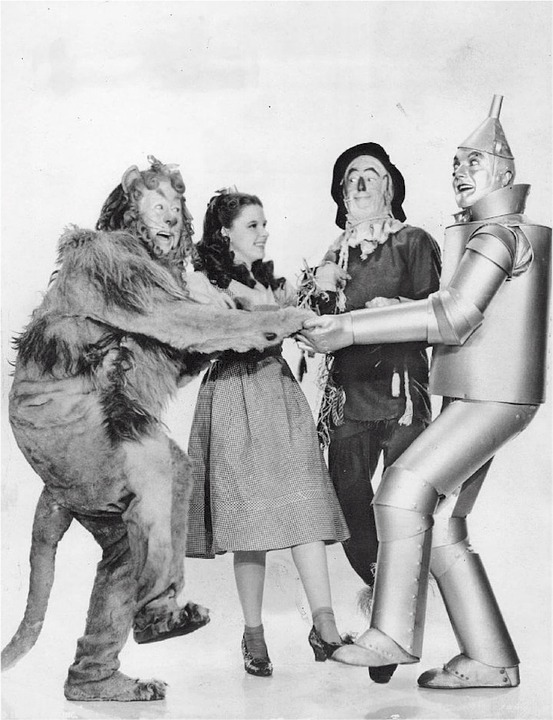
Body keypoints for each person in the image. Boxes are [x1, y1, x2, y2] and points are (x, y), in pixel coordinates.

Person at [2, 158, 311, 702]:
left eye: (175, 208)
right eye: (157, 206)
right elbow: (183, 326)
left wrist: (227, 330)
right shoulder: (106, 257)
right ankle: (158, 608)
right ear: (129, 212)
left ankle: (93, 673)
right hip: (61, 409)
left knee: (130, 544)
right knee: (165, 463)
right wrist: (276, 320)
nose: (170, 216)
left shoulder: (149, 281)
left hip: (80, 416)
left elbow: (174, 353)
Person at [299, 96, 550, 688]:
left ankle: (391, 634)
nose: (460, 171)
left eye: (474, 162)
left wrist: (349, 327)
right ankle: (490, 659)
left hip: (489, 398)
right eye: (457, 162)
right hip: (476, 396)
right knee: (441, 526)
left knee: (400, 494)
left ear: (504, 171)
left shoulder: (498, 234)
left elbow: (454, 314)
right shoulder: (487, 231)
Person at [186, 189, 350, 677]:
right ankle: (254, 635)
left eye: (264, 224)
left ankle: (326, 627)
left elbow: (302, 318)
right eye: (252, 225)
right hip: (233, 396)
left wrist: (316, 295)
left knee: (308, 509)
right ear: (225, 232)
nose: (263, 233)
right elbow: (222, 331)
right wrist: (285, 315)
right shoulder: (202, 282)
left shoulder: (270, 282)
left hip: (278, 394)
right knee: (248, 522)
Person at [306, 143, 441, 683]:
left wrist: (392, 311)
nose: (361, 182)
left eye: (373, 174)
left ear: (390, 188)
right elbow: (314, 324)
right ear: (342, 194)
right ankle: (383, 595)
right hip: (347, 398)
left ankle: (388, 628)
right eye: (352, 176)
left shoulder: (414, 241)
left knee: (399, 505)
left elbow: (438, 313)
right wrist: (314, 299)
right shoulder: (333, 256)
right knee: (348, 504)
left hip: (401, 393)